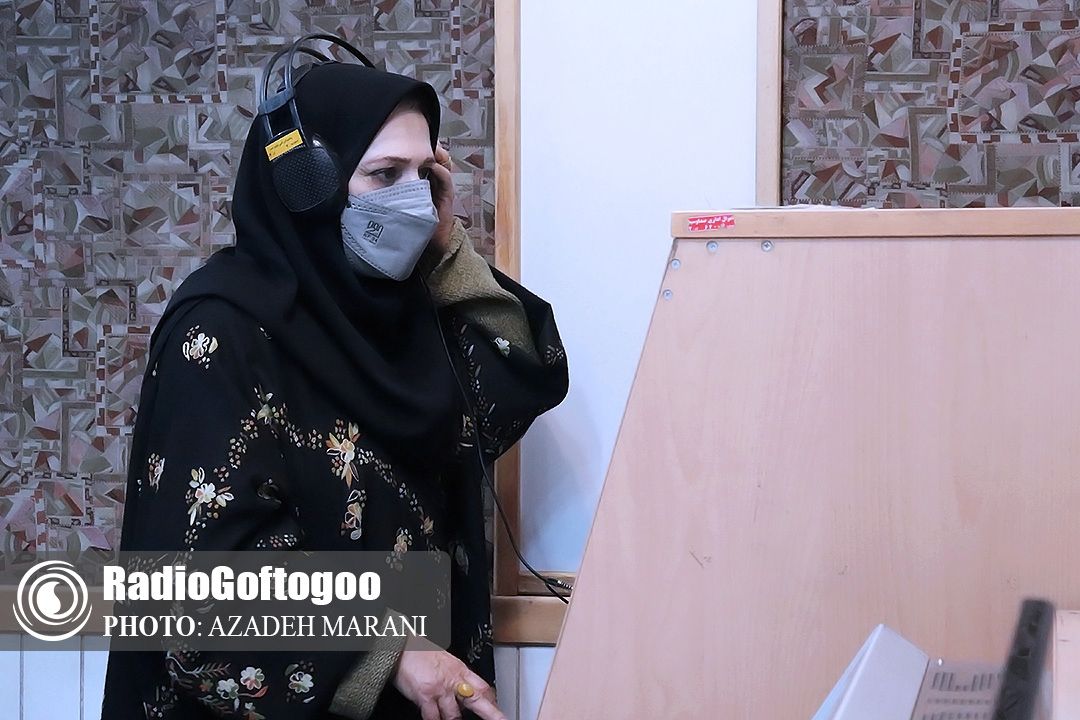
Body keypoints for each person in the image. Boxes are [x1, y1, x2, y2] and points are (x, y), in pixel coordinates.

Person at [100, 56, 569, 720]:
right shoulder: (222, 333)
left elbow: (519, 379)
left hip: (419, 694)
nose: (411, 198)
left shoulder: (406, 319)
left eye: (425, 176)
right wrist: (388, 650)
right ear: (307, 186)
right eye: (385, 174)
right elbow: (193, 589)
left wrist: (446, 249)